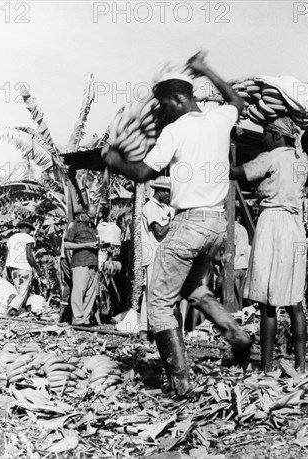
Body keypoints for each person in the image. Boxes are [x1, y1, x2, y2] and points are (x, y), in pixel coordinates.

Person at [103, 51, 252, 397]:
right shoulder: (218, 119)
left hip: (188, 224)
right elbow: (236, 99)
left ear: (176, 98)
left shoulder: (176, 130)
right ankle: (235, 332)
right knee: (190, 288)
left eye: (163, 104)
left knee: (158, 303)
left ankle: (180, 382)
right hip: (217, 225)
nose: (161, 112)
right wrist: (205, 69)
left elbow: (142, 172)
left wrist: (115, 160)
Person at [230, 117, 308, 373]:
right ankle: (301, 365)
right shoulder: (302, 160)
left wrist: (227, 144)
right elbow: (306, 142)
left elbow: (234, 173)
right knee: (294, 300)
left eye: (266, 134)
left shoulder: (270, 157)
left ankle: (266, 367)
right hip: (294, 225)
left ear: (277, 136)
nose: (263, 139)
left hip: (271, 224)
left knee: (269, 301)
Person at [139, 176, 173, 337]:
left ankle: (147, 328)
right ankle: (152, 328)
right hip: (153, 254)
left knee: (153, 292)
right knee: (154, 293)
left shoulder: (160, 207)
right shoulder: (151, 207)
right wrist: (173, 222)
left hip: (158, 254)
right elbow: (159, 232)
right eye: (167, 193)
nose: (169, 196)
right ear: (160, 191)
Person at [63, 203, 101, 326]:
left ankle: (84, 319)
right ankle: (77, 319)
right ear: (83, 213)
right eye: (90, 216)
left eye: (94, 217)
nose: (92, 219)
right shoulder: (74, 225)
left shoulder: (93, 227)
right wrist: (86, 245)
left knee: (91, 293)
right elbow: (67, 245)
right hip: (80, 262)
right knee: (79, 291)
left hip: (93, 262)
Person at [5, 219, 39, 316]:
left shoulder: (11, 238)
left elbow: (8, 254)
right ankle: (7, 311)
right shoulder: (28, 238)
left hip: (13, 268)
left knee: (20, 291)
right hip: (24, 268)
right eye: (30, 230)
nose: (30, 232)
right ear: (26, 228)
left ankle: (22, 311)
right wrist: (37, 268)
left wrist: (7, 270)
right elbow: (29, 255)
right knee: (22, 293)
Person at [233, 218, 250, 312]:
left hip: (236, 265)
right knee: (241, 295)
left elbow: (237, 248)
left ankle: (236, 314)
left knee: (235, 296)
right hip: (244, 264)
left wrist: (232, 264)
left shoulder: (232, 229)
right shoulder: (243, 228)